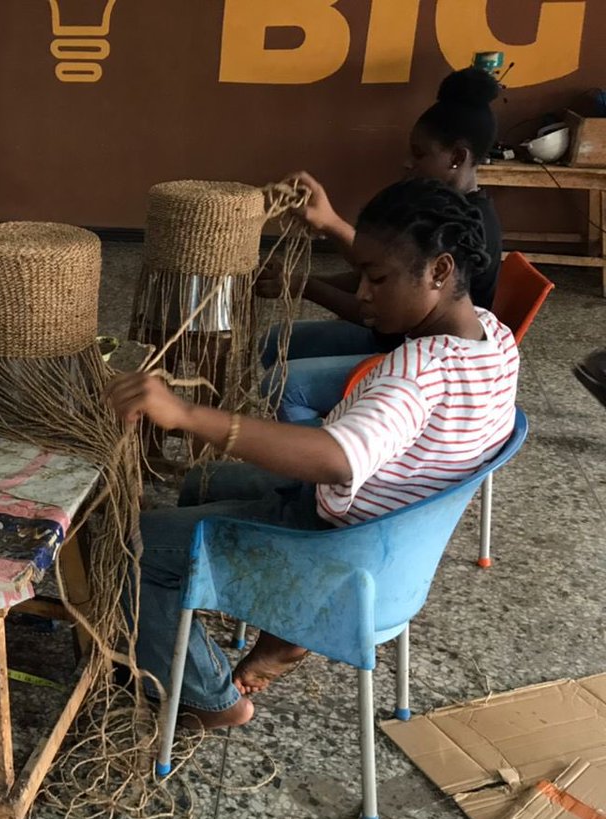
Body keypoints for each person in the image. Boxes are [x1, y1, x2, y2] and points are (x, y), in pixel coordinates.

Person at [110, 179, 519, 729]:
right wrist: (330, 224)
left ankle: (213, 699)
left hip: (334, 550)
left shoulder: (417, 373)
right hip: (392, 544)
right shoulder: (494, 337)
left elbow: (338, 458)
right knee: (200, 486)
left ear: (440, 270)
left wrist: (187, 414)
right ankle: (245, 619)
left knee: (130, 548)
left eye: (377, 279)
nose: (364, 294)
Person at [262, 67, 504, 424]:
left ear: (456, 157)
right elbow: (375, 275)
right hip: (396, 337)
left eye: (419, 154)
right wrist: (303, 275)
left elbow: (378, 309)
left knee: (282, 386)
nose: (407, 162)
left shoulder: (464, 229)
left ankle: (328, 449)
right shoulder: (437, 207)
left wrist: (303, 282)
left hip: (411, 350)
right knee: (273, 343)